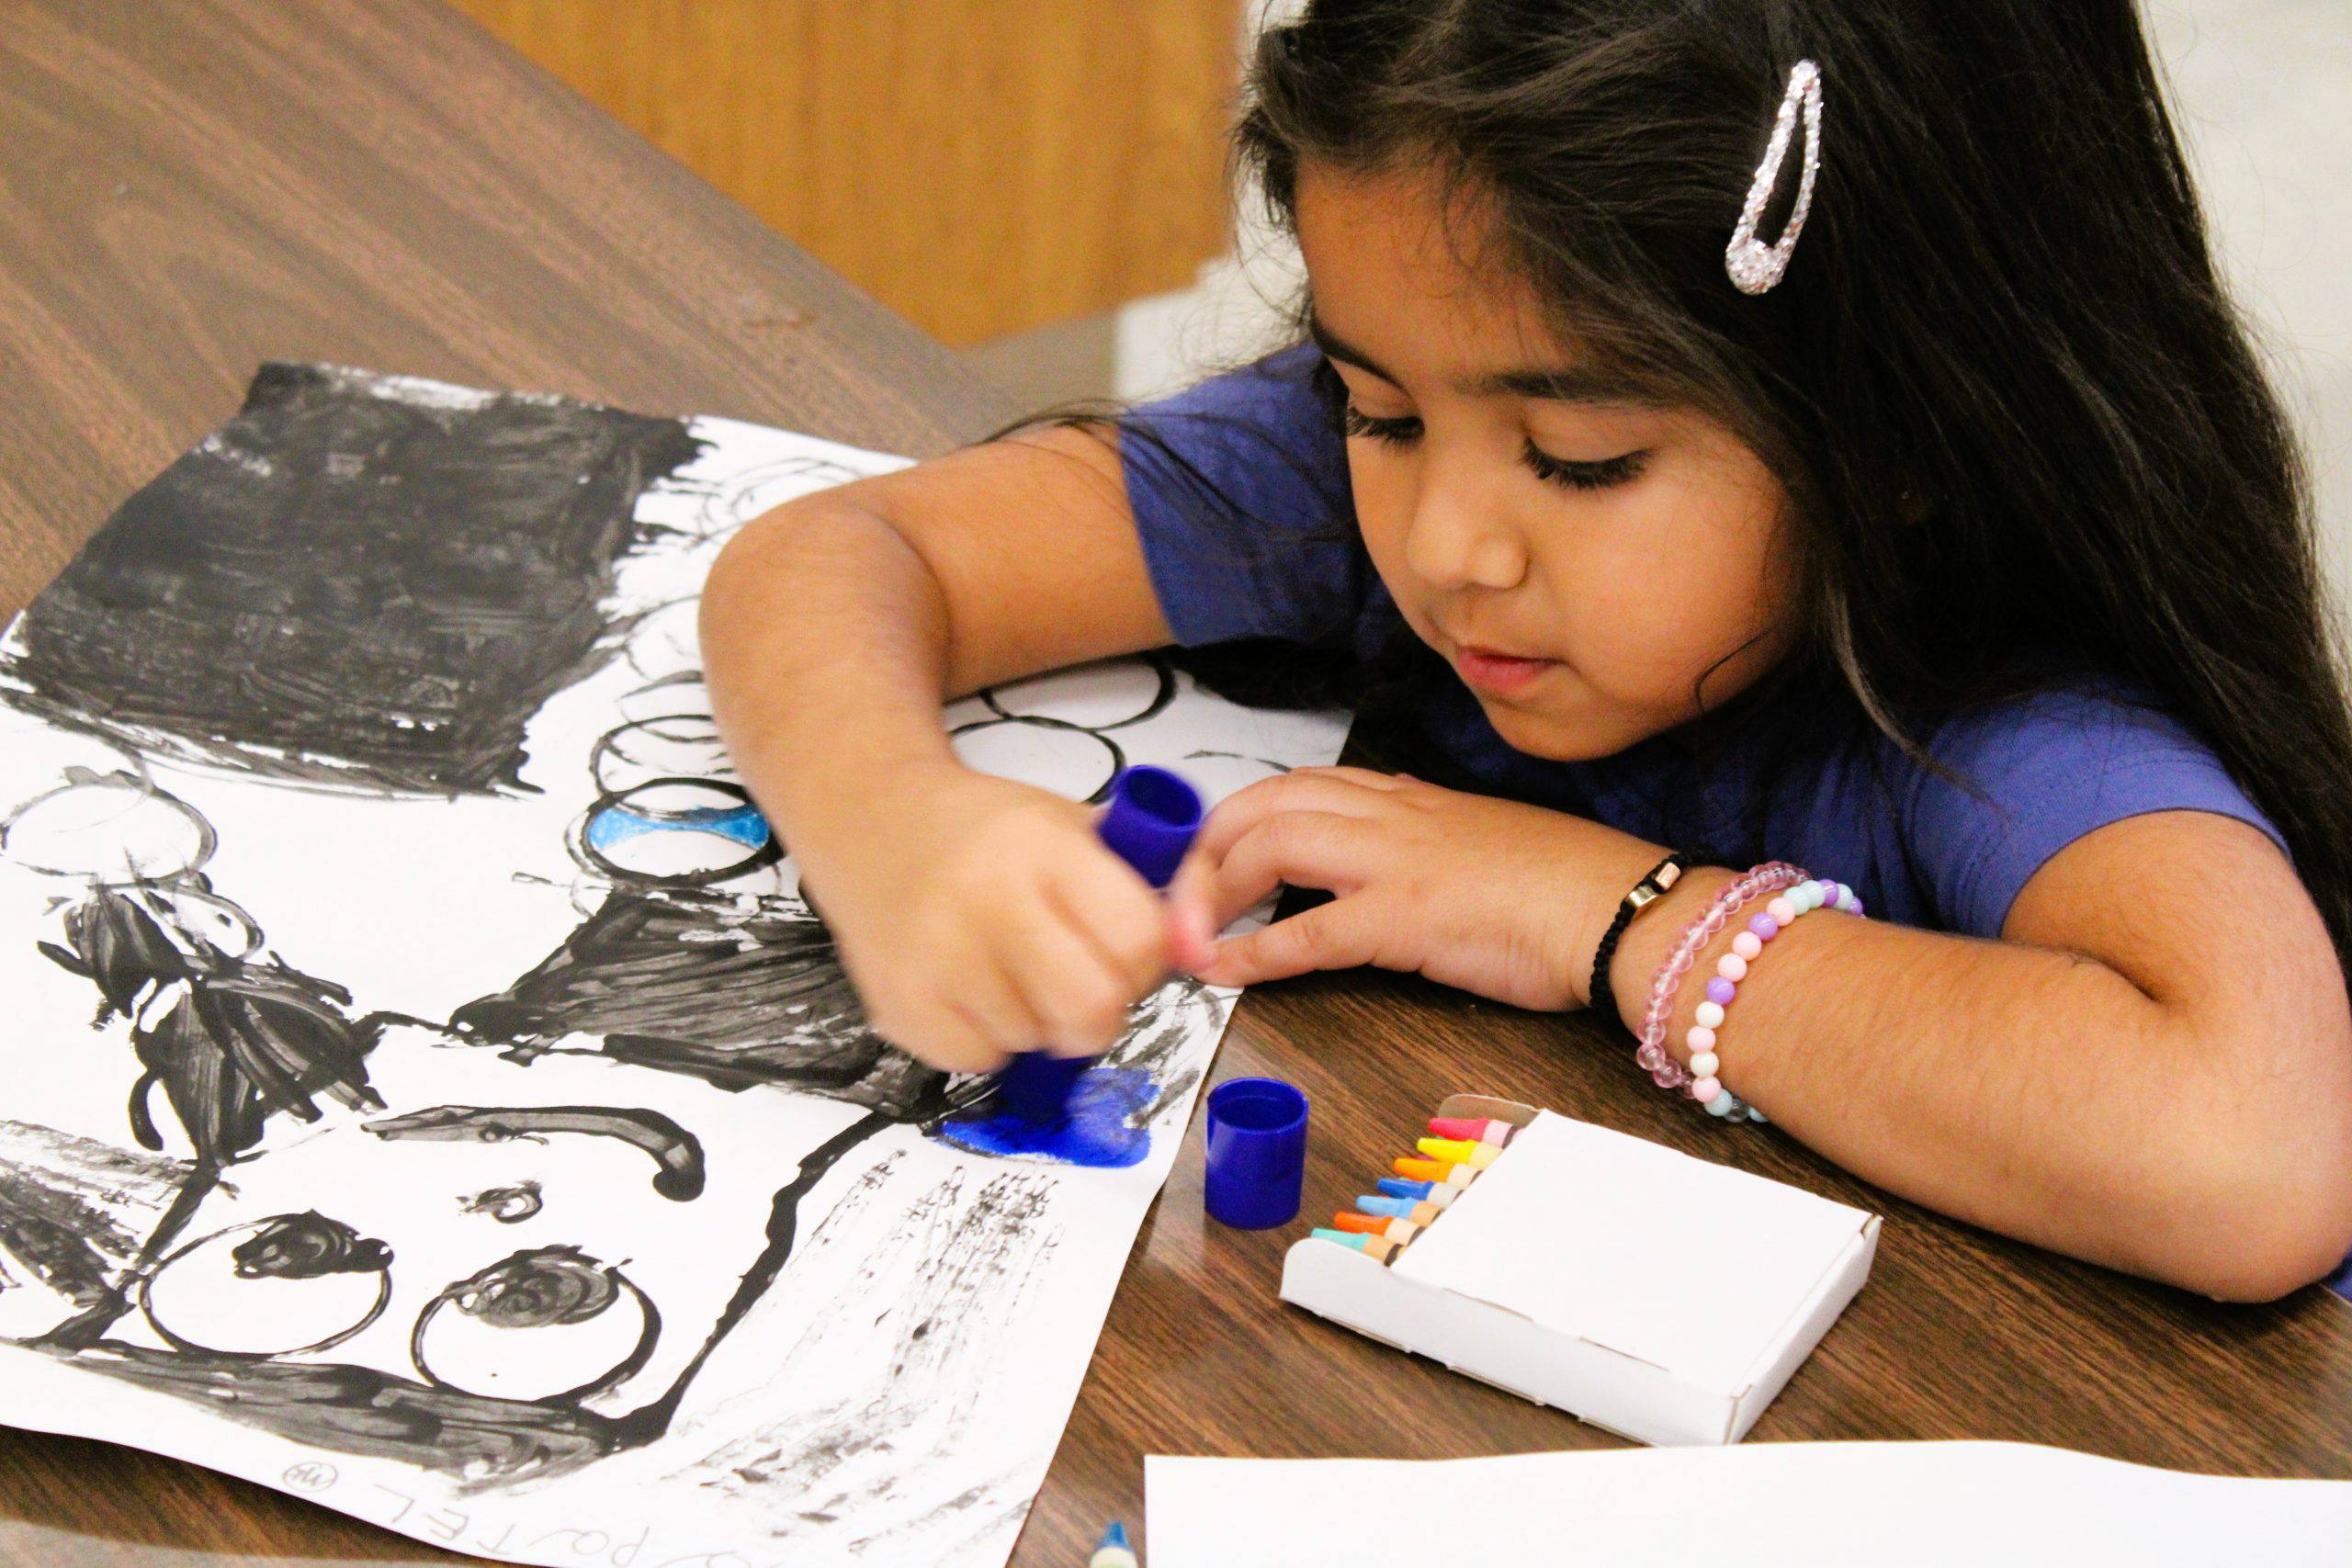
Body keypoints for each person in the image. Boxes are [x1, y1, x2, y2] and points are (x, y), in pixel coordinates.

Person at [700, 0, 2352, 1303]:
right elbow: (840, 551)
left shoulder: (1999, 724)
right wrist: (890, 823)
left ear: (1902, 434)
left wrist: (1600, 910)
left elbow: (2256, 1159)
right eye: (1378, 407)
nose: (1446, 547)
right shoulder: (1359, 475)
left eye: (1582, 462)